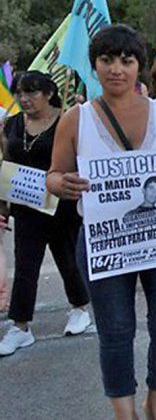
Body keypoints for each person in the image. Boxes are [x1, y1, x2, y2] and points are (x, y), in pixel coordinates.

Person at [46, 24, 156, 420]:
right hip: (105, 241)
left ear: (139, 67)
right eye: (107, 60)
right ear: (94, 65)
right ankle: (124, 412)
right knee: (115, 332)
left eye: (127, 61)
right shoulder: (75, 119)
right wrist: (63, 183)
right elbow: (53, 174)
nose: (117, 69)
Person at [0, 71, 91, 358]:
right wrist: (2, 204)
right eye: (19, 93)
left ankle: (79, 309)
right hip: (26, 207)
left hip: (62, 204)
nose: (24, 99)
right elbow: (5, 164)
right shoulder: (11, 125)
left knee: (68, 259)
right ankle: (20, 327)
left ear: (49, 93)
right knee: (26, 265)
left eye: (31, 92)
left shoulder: (67, 121)